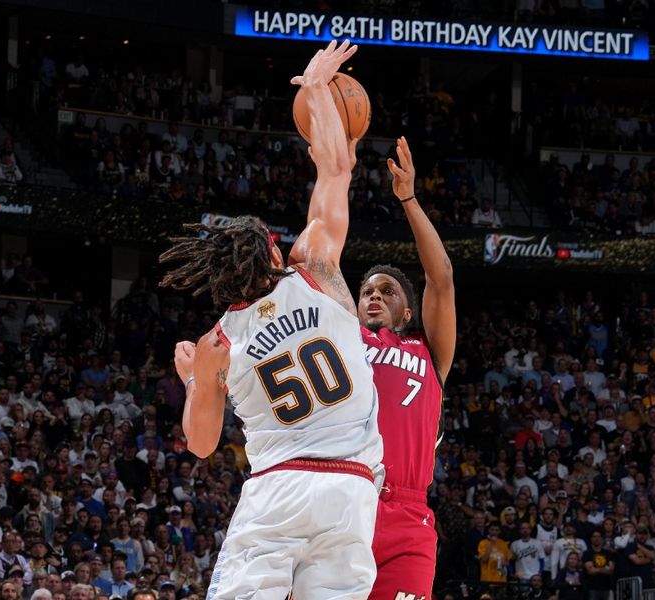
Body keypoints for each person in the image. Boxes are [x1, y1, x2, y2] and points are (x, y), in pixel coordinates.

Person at [166, 41, 383, 600]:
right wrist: (314, 89)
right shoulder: (315, 266)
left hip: (277, 489)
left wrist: (194, 380)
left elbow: (202, 443)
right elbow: (337, 166)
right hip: (351, 489)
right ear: (271, 250)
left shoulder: (217, 342)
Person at [359, 135, 455, 600]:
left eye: (388, 291)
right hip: (344, 500)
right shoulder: (342, 339)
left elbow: (441, 278)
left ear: (408, 312)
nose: (375, 295)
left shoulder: (428, 351)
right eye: (367, 292)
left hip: (409, 515)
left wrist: (409, 199)